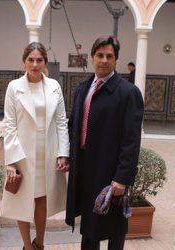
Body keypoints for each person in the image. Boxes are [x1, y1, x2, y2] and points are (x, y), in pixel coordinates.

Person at [65, 36, 144, 250]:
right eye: (100, 55)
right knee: (90, 225)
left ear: (116, 60)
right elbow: (73, 126)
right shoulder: (83, 89)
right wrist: (67, 156)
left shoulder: (129, 93)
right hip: (86, 167)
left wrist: (122, 177)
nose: (104, 60)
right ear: (92, 58)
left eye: (109, 56)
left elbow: (132, 140)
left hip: (111, 173)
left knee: (114, 228)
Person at [0, 42, 69, 250]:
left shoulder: (54, 86)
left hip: (46, 154)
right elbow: (9, 125)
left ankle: (40, 243)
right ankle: (27, 247)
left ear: (45, 62)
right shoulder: (14, 87)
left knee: (41, 200)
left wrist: (63, 153)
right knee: (22, 202)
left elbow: (61, 121)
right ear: (24, 62)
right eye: (31, 59)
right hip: (22, 154)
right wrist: (11, 161)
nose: (35, 64)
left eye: (39, 60)